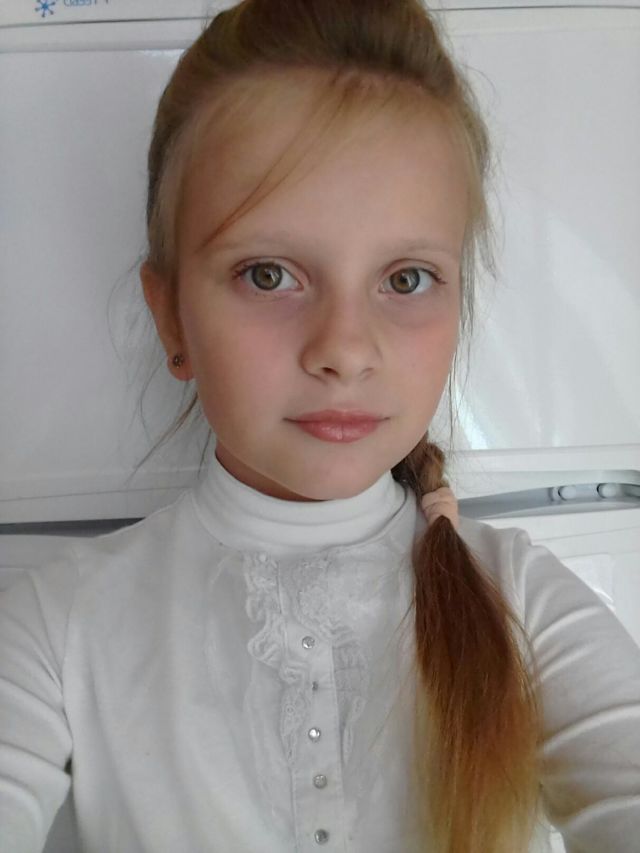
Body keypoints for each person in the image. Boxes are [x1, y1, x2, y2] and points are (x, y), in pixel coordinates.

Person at [2, 1, 640, 851]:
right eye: (269, 274)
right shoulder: (57, 627)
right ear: (172, 318)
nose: (344, 348)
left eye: (406, 279)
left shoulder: (525, 605)